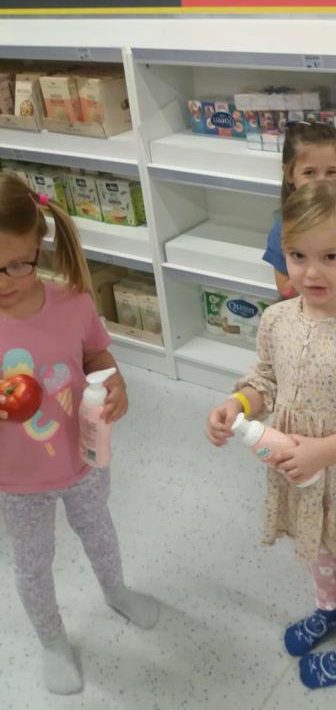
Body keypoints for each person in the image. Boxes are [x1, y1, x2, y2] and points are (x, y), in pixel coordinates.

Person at [208, 179, 336, 688]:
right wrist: (237, 405)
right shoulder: (277, 320)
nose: (311, 271)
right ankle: (328, 608)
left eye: (330, 257)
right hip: (301, 478)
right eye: (297, 255)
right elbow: (266, 380)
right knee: (318, 551)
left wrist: (324, 450)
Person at [0, 174, 159, 695]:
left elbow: (96, 354)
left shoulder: (73, 302)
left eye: (17, 264)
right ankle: (51, 641)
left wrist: (115, 383)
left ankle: (115, 590)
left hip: (83, 458)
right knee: (32, 564)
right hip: (17, 480)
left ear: (38, 247)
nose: (4, 281)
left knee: (99, 530)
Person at [263, 122, 336, 310]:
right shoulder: (283, 228)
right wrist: (315, 275)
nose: (321, 182)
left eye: (331, 172)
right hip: (313, 316)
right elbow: (284, 289)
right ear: (289, 174)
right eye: (309, 173)